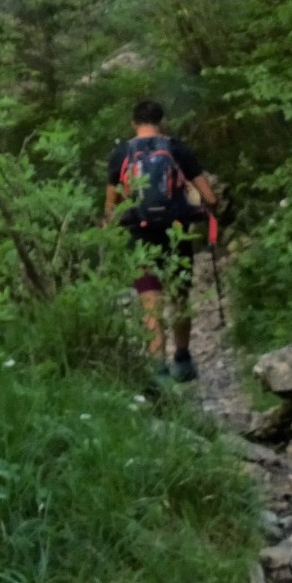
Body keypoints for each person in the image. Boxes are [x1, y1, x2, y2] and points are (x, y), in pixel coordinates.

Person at [104, 100, 217, 382]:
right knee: (179, 295)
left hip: (140, 236)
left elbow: (111, 207)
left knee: (150, 302)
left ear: (134, 123)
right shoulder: (177, 150)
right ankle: (182, 360)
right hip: (176, 233)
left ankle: (159, 369)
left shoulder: (121, 154)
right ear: (161, 122)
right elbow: (210, 198)